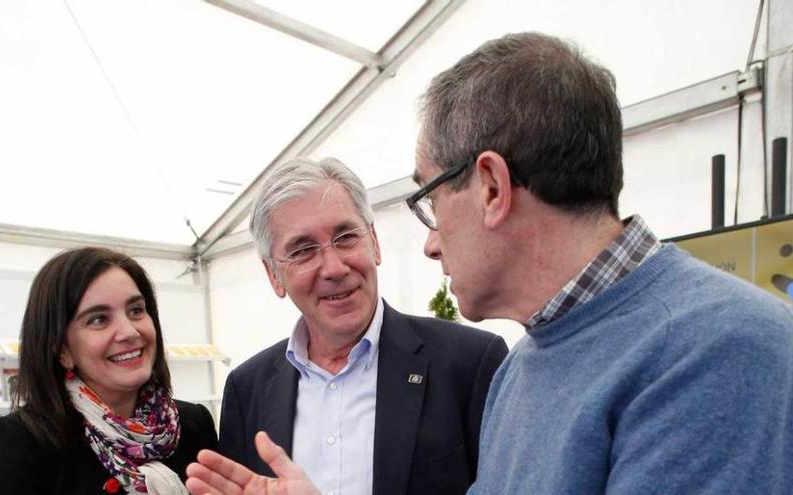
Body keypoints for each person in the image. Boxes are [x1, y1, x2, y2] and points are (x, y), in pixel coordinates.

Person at [185, 32, 793, 495]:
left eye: (427, 198)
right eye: (302, 250)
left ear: (492, 187)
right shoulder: (526, 366)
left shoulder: (719, 350)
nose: (428, 242)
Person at [216, 157, 508, 495]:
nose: (334, 267)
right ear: (273, 275)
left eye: (345, 237)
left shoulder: (471, 363)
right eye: (304, 250)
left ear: (374, 242)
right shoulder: (246, 389)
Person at [0, 247, 218, 494]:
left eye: (136, 310)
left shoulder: (192, 424)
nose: (129, 332)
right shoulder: (24, 441)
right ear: (62, 350)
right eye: (99, 319)